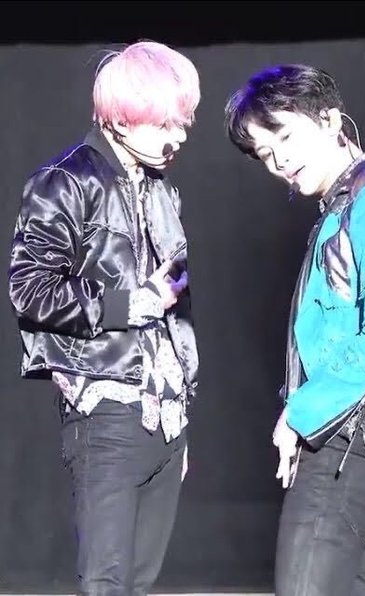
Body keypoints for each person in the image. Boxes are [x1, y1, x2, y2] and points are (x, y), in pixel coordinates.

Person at [224, 64, 365, 596]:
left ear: (330, 120)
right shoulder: (348, 205)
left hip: (354, 437)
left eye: (285, 137)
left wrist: (299, 413)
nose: (279, 161)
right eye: (265, 153)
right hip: (347, 434)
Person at [8, 40, 200, 596]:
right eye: (164, 123)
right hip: (106, 409)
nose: (178, 137)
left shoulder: (162, 190)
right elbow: (28, 289)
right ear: (119, 118)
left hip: (165, 417)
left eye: (183, 123)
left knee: (138, 582)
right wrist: (127, 304)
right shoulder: (66, 181)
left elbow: (177, 310)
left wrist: (180, 410)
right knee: (107, 582)